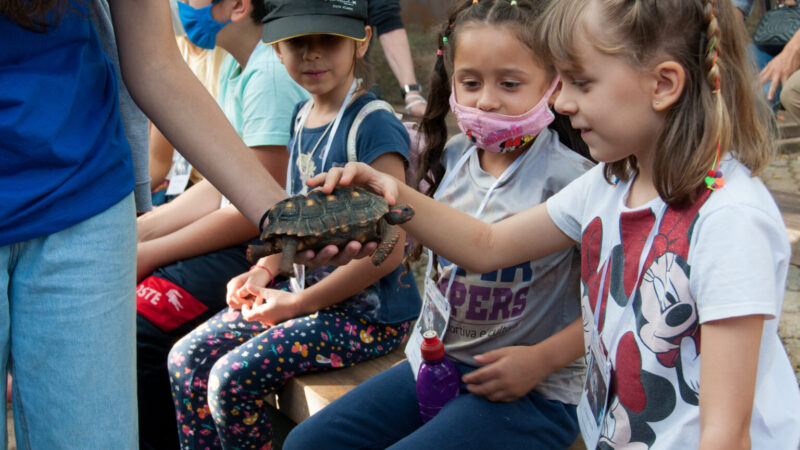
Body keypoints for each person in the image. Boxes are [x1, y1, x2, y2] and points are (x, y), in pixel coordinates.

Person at [308, 0, 800, 448]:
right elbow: (486, 243)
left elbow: (727, 432)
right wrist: (390, 193)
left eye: (582, 84)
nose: (562, 103)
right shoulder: (611, 185)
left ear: (664, 84)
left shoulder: (730, 220)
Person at [0, 0, 369, 447]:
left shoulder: (327, 107)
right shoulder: (248, 77)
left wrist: (282, 216)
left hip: (86, 199)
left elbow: (156, 64)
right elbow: (205, 188)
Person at [284, 1, 594, 448]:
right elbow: (390, 242)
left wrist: (542, 361)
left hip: (532, 390)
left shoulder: (573, 181)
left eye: (510, 83)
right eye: (470, 83)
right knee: (306, 443)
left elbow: (611, 306)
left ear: (552, 84)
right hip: (434, 366)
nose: (487, 99)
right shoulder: (447, 159)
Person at [167, 1, 421, 448]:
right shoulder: (300, 116)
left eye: (328, 40)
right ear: (276, 48)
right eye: (298, 43)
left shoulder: (374, 125)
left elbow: (391, 249)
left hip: (368, 318)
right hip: (306, 297)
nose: (312, 54)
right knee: (185, 358)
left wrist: (296, 305)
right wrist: (263, 270)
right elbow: (295, 224)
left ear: (362, 40)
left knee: (229, 379)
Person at [135, 0, 309, 447]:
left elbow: (255, 210)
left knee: (140, 333)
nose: (179, 6)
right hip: (244, 237)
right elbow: (218, 185)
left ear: (237, 6)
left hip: (264, 251)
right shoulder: (240, 69)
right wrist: (144, 232)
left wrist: (150, 251)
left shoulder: (270, 76)